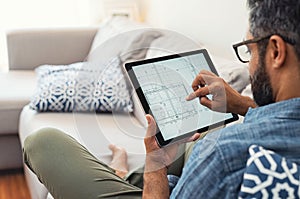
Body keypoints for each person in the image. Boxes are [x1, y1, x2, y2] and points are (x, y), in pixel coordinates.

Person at [23, 0, 300, 198]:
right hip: (188, 178)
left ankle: (120, 173)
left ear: (276, 51)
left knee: (42, 142)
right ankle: (122, 174)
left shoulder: (223, 156)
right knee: (196, 138)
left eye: (249, 51)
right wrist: (241, 104)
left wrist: (156, 164)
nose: (250, 65)